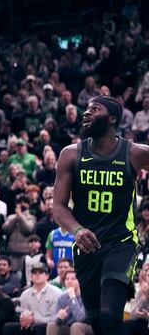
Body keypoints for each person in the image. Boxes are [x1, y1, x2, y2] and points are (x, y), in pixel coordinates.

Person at [53, 95, 149, 335]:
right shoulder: (71, 154)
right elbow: (58, 207)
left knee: (109, 315)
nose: (86, 113)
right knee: (97, 324)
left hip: (121, 243)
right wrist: (76, 229)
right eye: (85, 108)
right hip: (86, 247)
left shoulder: (133, 153)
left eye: (95, 109)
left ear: (112, 118)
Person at [2, 262, 61, 335]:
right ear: (31, 277)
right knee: (8, 327)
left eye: (41, 272)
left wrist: (34, 320)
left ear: (47, 276)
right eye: (34, 273)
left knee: (39, 327)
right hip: (30, 325)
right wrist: (24, 319)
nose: (37, 275)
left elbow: (55, 318)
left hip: (48, 325)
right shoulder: (25, 294)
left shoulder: (56, 293)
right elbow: (25, 313)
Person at [46, 270, 92, 335]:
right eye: (67, 279)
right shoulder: (62, 297)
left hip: (86, 326)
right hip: (68, 326)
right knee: (52, 325)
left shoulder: (85, 296)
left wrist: (72, 298)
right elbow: (52, 319)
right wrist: (59, 317)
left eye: (73, 279)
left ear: (79, 280)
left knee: (76, 326)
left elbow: (81, 318)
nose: (69, 281)